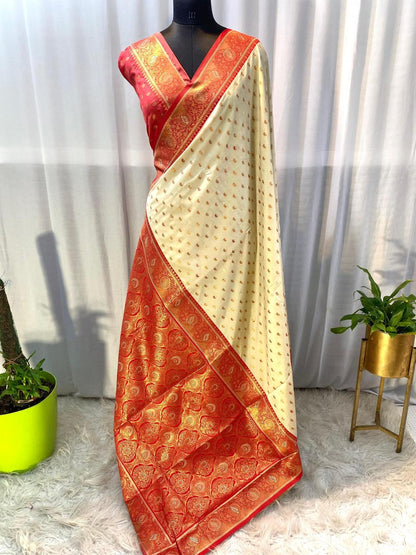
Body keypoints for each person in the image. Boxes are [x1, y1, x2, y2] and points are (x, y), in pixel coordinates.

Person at [114, 1, 302, 553]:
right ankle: (170, 447)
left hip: (229, 235)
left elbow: (256, 153)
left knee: (224, 343)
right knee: (164, 353)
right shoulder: (137, 57)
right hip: (167, 228)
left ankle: (233, 439)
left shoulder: (247, 55)